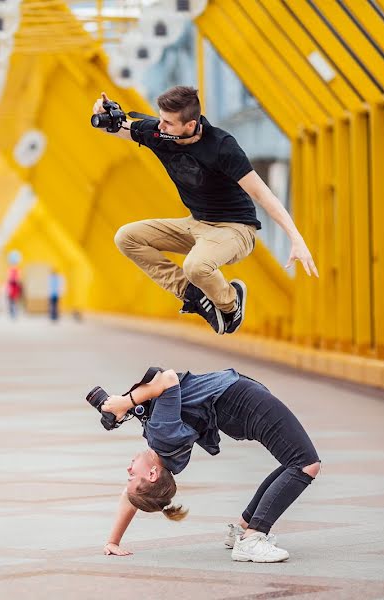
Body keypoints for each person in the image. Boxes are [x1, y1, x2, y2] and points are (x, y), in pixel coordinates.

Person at [92, 86, 318, 335]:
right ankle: (193, 295)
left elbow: (263, 195)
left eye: (167, 123)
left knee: (195, 266)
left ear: (190, 125)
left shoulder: (222, 146)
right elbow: (116, 128)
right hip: (196, 223)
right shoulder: (158, 134)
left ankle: (230, 303)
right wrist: (104, 115)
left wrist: (296, 238)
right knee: (126, 237)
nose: (160, 127)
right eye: (160, 119)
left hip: (235, 230)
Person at [86, 367, 320, 563]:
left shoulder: (169, 461)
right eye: (131, 476)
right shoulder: (161, 435)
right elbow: (167, 378)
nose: (128, 470)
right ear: (153, 474)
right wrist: (125, 402)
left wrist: (112, 541)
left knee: (295, 462)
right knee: (305, 463)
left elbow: (135, 495)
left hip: (232, 408)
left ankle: (243, 528)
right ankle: (252, 537)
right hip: (238, 401)